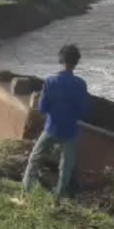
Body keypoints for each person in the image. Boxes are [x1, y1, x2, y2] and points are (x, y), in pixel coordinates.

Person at [21, 44, 90, 203]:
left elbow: (42, 108)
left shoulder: (50, 82)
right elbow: (84, 111)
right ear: (76, 62)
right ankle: (57, 199)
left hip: (51, 129)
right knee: (65, 168)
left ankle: (25, 194)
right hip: (71, 131)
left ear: (60, 60)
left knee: (34, 159)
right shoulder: (81, 84)